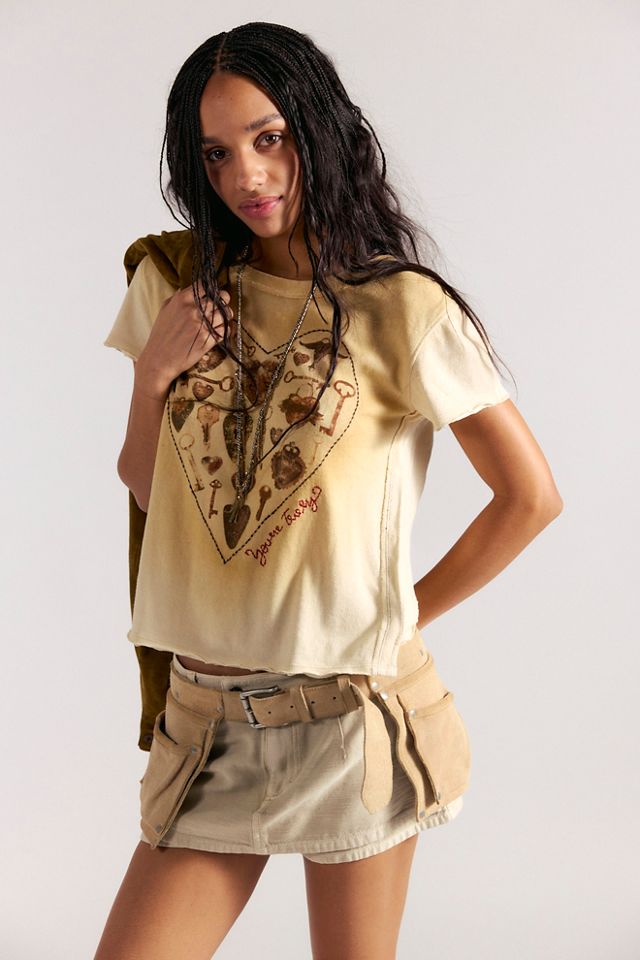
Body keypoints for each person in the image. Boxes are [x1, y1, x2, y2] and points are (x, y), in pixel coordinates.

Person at [94, 21, 563, 960]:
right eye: (217, 154)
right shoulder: (175, 287)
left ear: (318, 130)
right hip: (206, 728)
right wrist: (152, 377)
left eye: (270, 139)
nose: (247, 176)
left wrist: (397, 615)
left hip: (351, 723)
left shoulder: (402, 310)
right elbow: (147, 485)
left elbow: (530, 498)